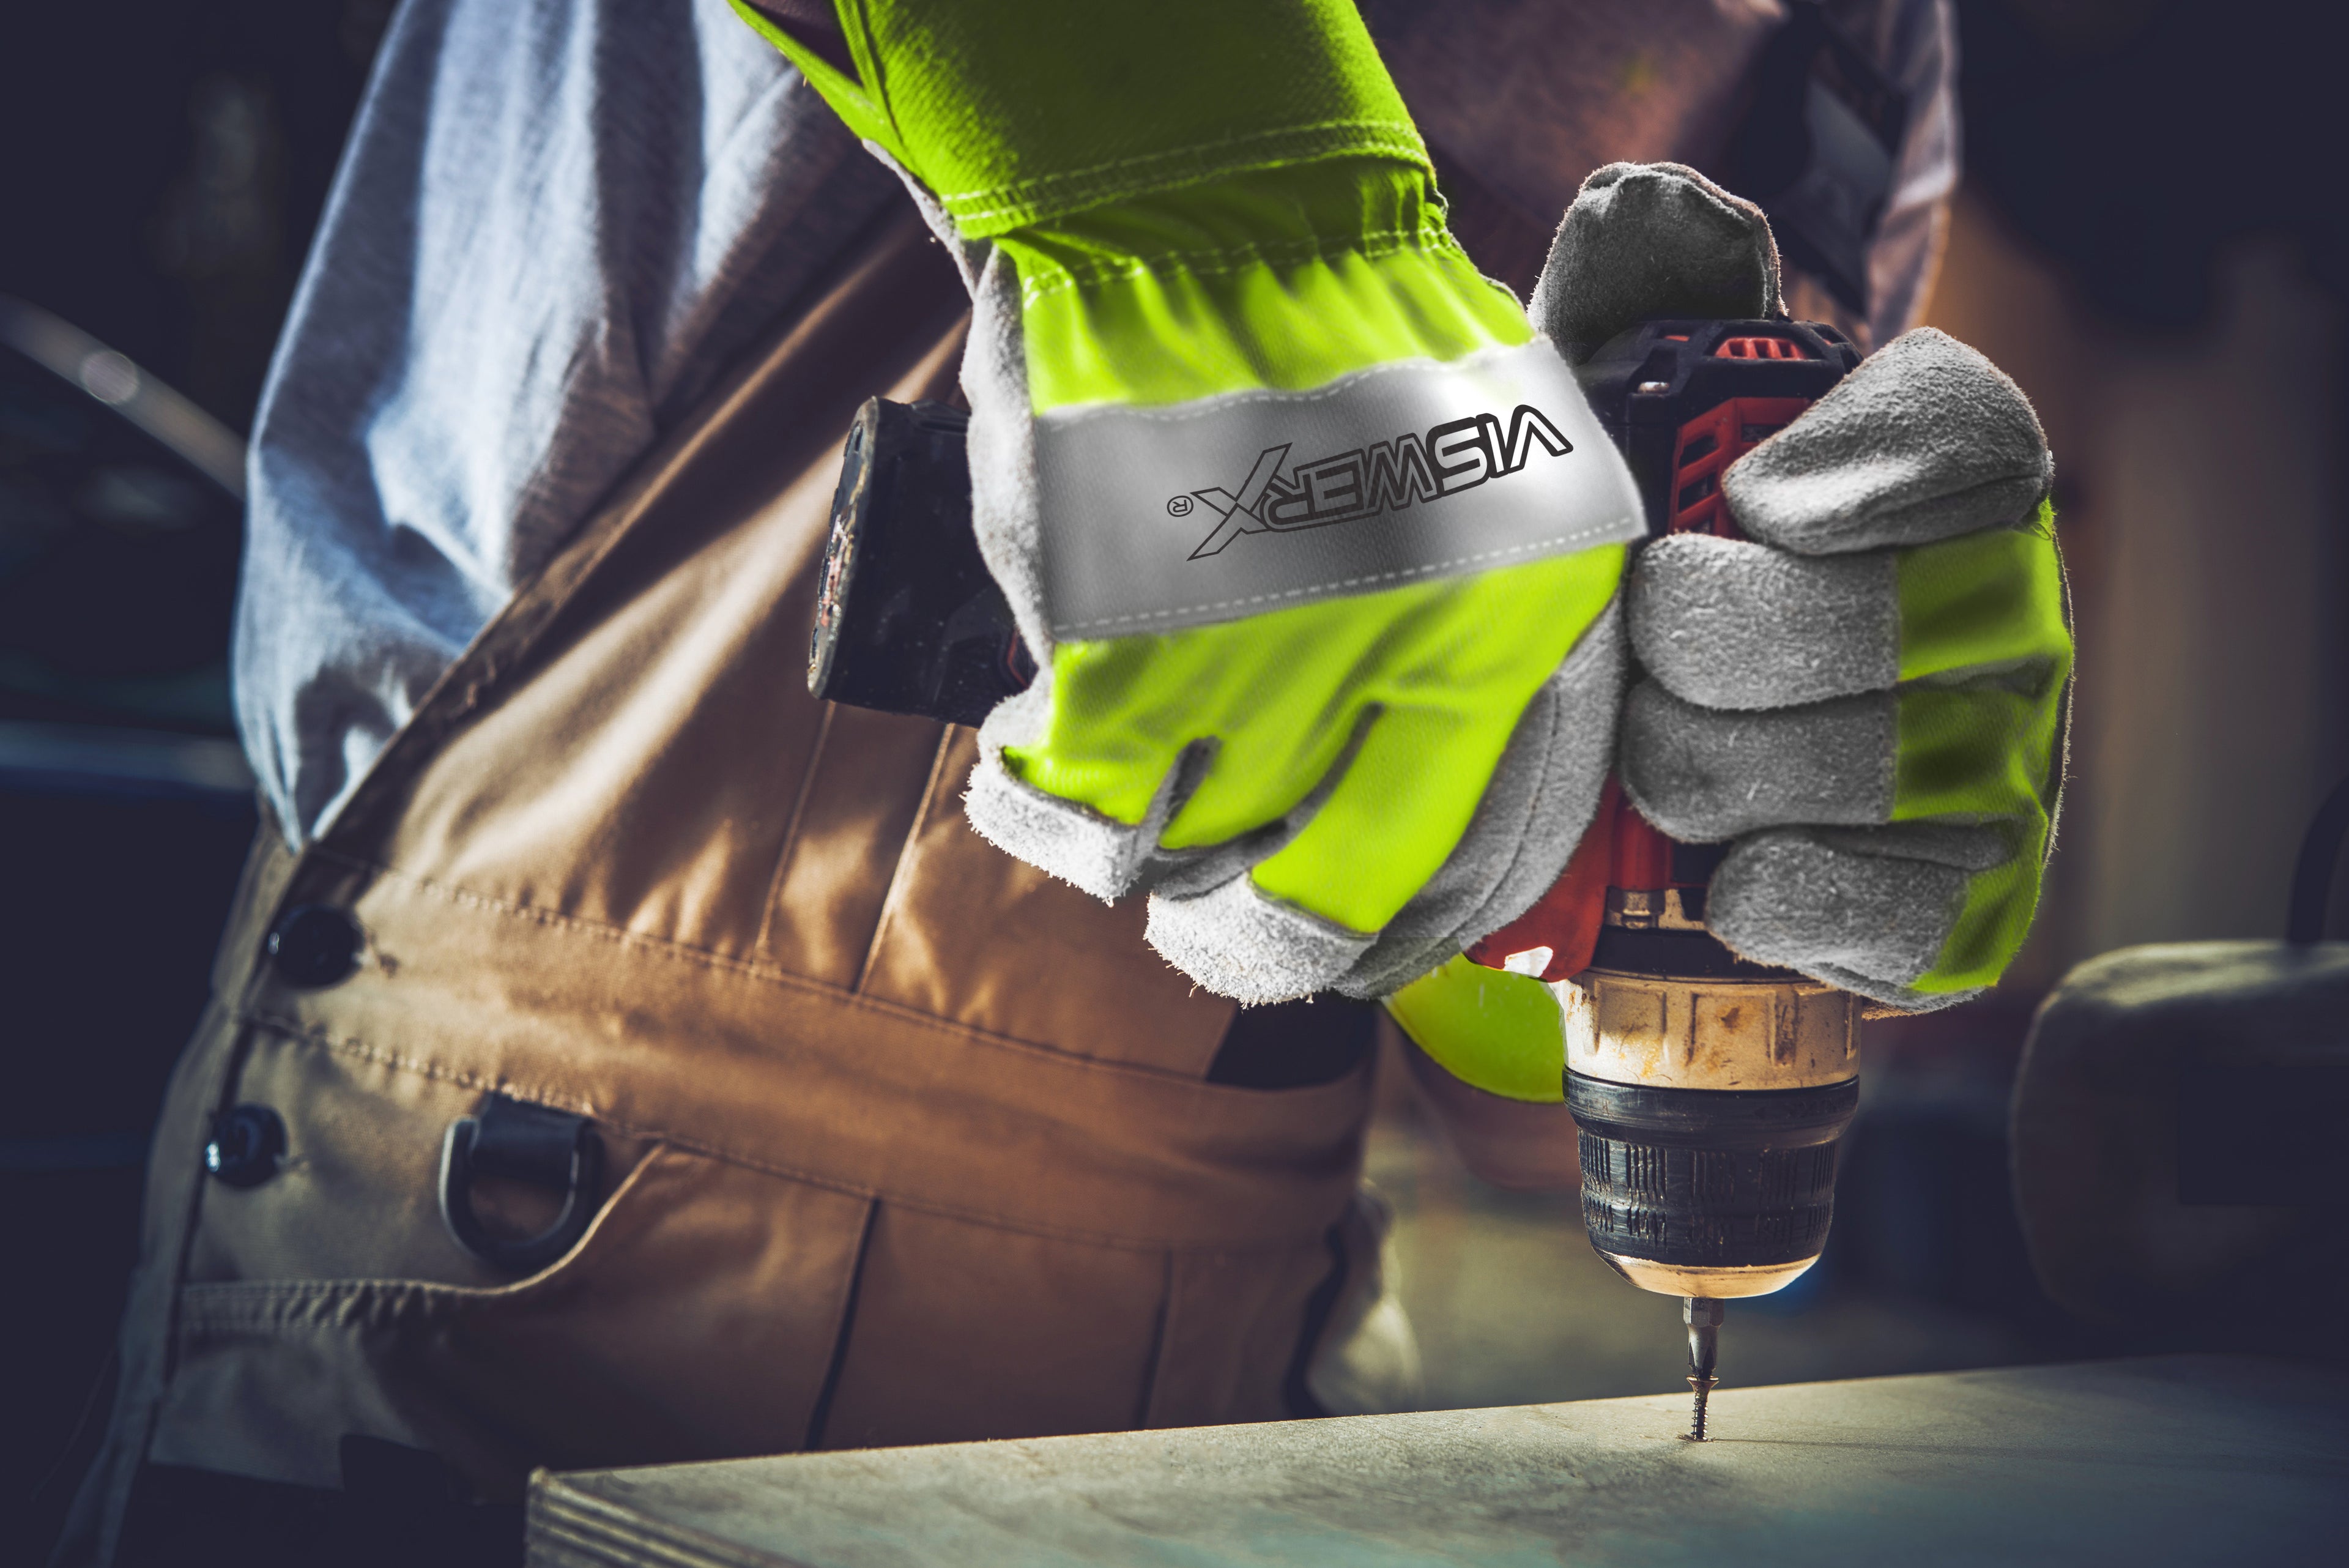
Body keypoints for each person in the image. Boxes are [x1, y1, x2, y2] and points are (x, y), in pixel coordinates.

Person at [56, 3, 2066, 1564]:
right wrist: (1202, 176)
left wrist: (1664, 829)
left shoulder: (1870, 46)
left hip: (1233, 1302)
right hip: (536, 1198)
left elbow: (1534, 853)